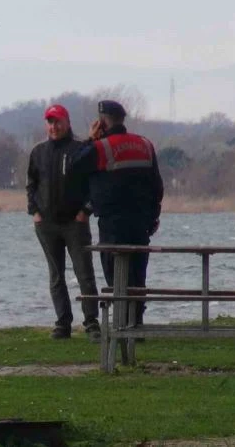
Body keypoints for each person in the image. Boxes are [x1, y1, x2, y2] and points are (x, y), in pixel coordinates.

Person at [88, 100, 164, 326]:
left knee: (116, 274)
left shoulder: (101, 147)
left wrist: (91, 139)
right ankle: (136, 322)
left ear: (102, 122)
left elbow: (73, 165)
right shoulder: (145, 144)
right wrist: (153, 216)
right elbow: (157, 186)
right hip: (141, 222)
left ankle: (122, 323)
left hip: (112, 223)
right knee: (138, 274)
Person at [27, 104, 100, 340]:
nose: (53, 126)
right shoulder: (38, 152)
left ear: (67, 123)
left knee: (84, 273)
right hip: (46, 224)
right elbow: (31, 184)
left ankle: (91, 322)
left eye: (58, 121)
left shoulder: (80, 149)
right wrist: (34, 211)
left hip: (74, 223)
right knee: (56, 276)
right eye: (50, 122)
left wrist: (85, 212)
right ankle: (63, 323)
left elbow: (94, 185)